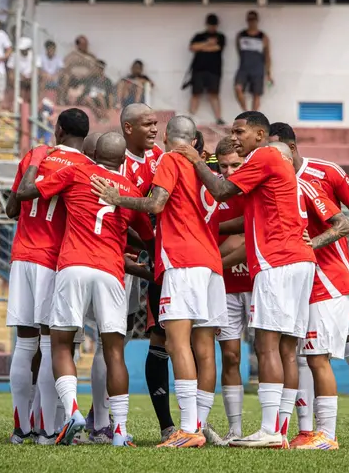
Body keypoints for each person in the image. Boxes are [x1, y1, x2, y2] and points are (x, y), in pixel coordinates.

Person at [173, 111, 315, 449]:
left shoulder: (263, 156)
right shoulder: (271, 161)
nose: (234, 137)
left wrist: (196, 160)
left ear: (260, 134)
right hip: (298, 260)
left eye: (240, 131)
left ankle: (270, 430)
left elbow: (221, 190)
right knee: (285, 349)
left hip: (277, 262)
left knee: (267, 346)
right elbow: (244, 219)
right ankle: (278, 428)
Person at [93, 116, 226, 448]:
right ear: (195, 140)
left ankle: (185, 430)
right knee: (204, 349)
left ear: (168, 136)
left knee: (176, 343)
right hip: (211, 264)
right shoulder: (207, 170)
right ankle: (198, 424)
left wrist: (116, 197)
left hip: (183, 261)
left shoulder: (170, 159)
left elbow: (156, 204)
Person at [15, 132, 154, 447]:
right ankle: (118, 430)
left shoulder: (77, 172)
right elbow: (148, 239)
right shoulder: (129, 189)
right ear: (122, 160)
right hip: (110, 272)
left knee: (62, 344)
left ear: (94, 154)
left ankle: (73, 411)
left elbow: (26, 193)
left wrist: (36, 160)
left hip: (73, 266)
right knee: (114, 351)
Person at [268, 122, 349, 450]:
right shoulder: (272, 182)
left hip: (336, 277)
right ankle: (307, 431)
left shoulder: (322, 174)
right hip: (304, 281)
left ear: (290, 149)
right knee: (307, 355)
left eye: (273, 150)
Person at [3, 108, 91, 445]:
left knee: (24, 345)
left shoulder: (34, 156)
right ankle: (46, 430)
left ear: (57, 129)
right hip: (55, 260)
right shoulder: (84, 167)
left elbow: (12, 209)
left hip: (22, 256)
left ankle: (20, 428)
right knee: (50, 344)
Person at [116, 103, 176, 441]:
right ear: (128, 128)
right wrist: (148, 250)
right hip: (128, 260)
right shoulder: (117, 162)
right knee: (115, 338)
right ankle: (100, 419)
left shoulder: (162, 159)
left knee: (174, 336)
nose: (155, 130)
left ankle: (190, 423)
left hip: (163, 259)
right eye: (147, 124)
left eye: (156, 124)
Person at [288, 156, 349, 450]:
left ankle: (327, 435)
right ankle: (313, 432)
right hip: (309, 285)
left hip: (327, 284)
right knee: (308, 358)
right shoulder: (279, 190)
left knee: (318, 358)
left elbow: (345, 224)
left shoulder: (306, 187)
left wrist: (309, 245)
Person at [211, 138, 250, 444]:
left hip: (258, 284)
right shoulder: (214, 194)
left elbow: (247, 240)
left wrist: (213, 264)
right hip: (226, 288)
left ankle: (276, 427)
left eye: (235, 164)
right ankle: (235, 429)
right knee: (231, 356)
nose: (229, 171)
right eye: (223, 166)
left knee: (271, 351)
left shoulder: (257, 188)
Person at [187, 14, 226, 125]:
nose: (212, 27)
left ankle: (218, 118)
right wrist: (207, 43)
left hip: (214, 70)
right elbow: (192, 47)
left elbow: (217, 48)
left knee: (214, 94)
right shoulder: (199, 36)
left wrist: (202, 47)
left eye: (213, 25)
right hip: (198, 69)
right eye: (210, 25)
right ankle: (191, 116)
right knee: (196, 93)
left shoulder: (220, 36)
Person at [234, 11, 272, 112]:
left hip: (258, 69)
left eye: (253, 20)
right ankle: (245, 111)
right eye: (249, 20)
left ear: (257, 20)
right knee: (238, 88)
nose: (251, 22)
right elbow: (239, 50)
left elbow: (267, 56)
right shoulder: (241, 35)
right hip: (244, 68)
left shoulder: (263, 37)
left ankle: (253, 116)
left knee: (256, 94)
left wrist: (268, 73)